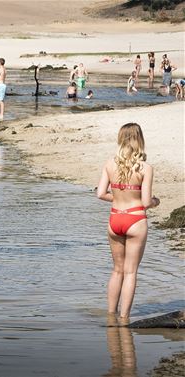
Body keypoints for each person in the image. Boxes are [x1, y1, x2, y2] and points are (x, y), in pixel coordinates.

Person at [96, 123, 160, 319]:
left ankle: (110, 315)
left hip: (115, 218)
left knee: (117, 271)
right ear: (139, 140)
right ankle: (124, 320)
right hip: (135, 219)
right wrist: (156, 201)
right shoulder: (145, 168)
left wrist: (117, 198)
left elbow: (100, 194)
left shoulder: (109, 163)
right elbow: (146, 202)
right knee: (130, 273)